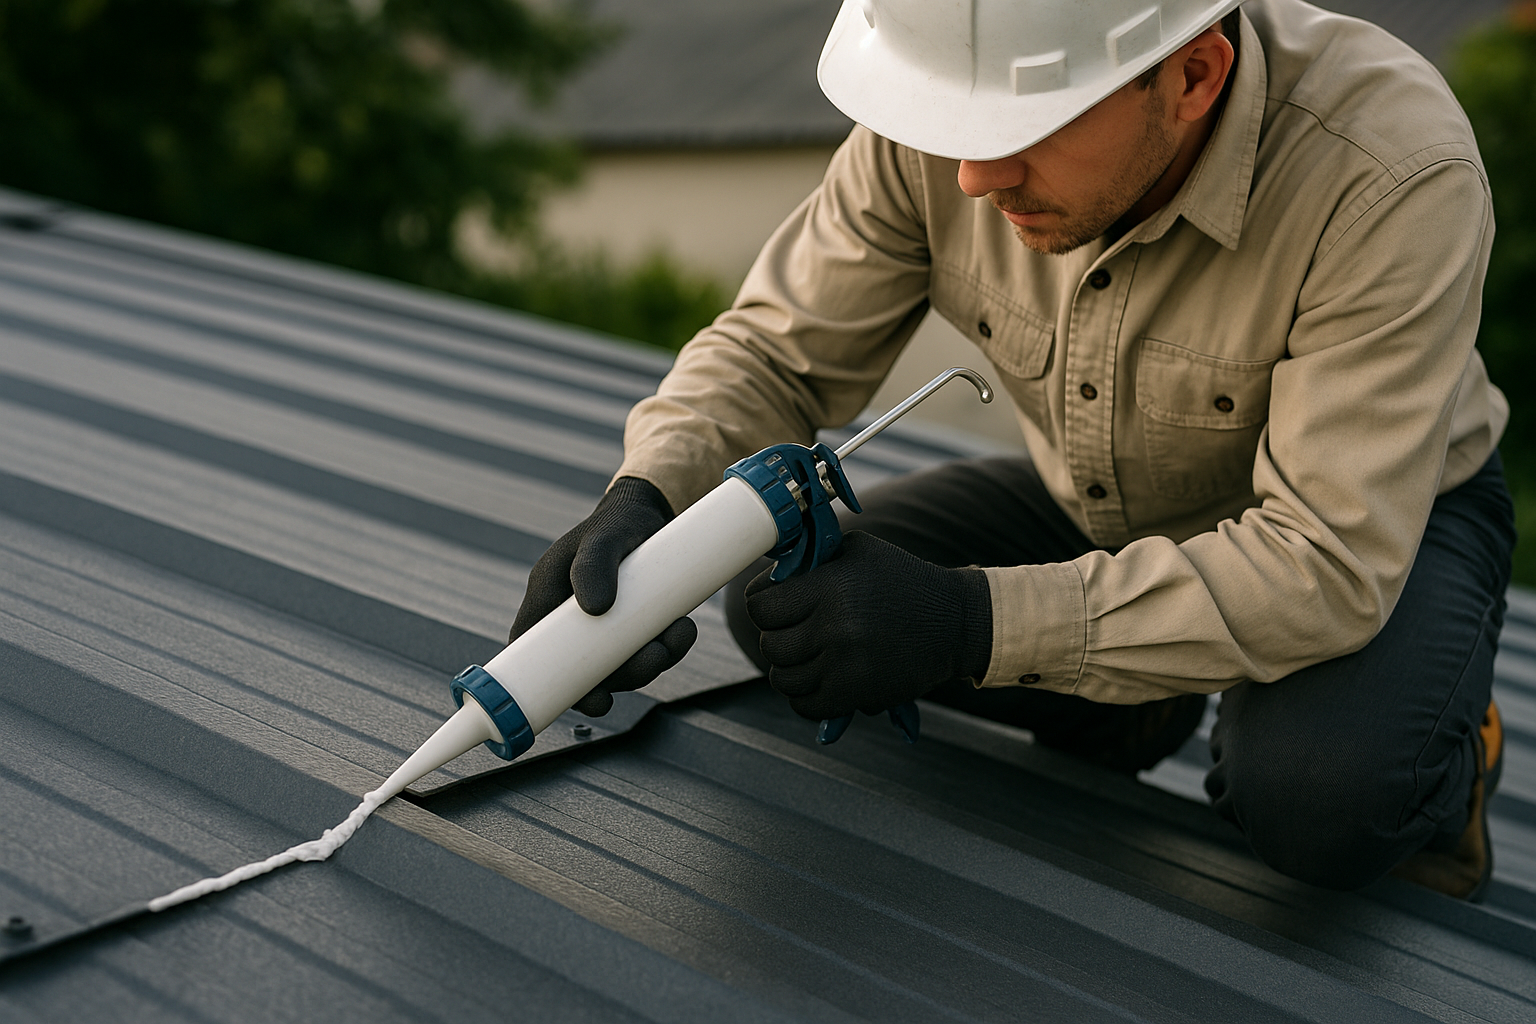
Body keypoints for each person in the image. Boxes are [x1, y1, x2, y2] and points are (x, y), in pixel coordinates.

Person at [509, 0, 1515, 901]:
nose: (974, 176)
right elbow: (777, 350)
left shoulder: (1387, 169)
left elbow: (1321, 564)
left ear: (1194, 77)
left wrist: (969, 624)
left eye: (1024, 131)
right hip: (1100, 496)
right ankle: (1128, 705)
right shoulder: (949, 116)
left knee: (1315, 797)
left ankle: (1453, 759)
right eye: (956, 126)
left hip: (1368, 527)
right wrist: (646, 497)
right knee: (791, 601)